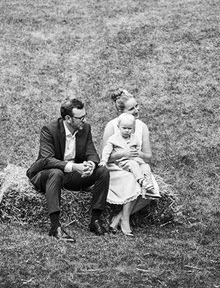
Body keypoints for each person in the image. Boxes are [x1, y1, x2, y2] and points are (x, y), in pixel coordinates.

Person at [26, 97, 110, 242]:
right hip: (46, 174)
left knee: (103, 171)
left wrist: (91, 164)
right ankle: (55, 227)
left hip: (72, 176)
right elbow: (46, 160)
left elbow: (91, 152)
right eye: (80, 117)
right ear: (68, 118)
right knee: (56, 173)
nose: (84, 120)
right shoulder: (49, 129)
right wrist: (73, 166)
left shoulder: (85, 128)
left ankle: (95, 220)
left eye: (85, 116)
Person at [102, 89, 159, 237]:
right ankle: (126, 220)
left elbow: (148, 157)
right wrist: (124, 153)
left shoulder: (142, 127)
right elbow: (104, 156)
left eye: (137, 106)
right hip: (116, 166)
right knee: (133, 180)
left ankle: (119, 217)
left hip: (136, 164)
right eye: (132, 108)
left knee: (151, 189)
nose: (137, 110)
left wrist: (137, 154)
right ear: (122, 113)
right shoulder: (112, 126)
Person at [99, 113, 155, 196]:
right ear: (118, 127)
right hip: (122, 161)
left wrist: (138, 155)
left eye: (129, 128)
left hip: (134, 159)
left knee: (145, 166)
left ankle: (148, 185)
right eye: (124, 128)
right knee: (133, 165)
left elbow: (137, 148)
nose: (126, 130)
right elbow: (107, 150)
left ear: (133, 128)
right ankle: (142, 181)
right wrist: (104, 160)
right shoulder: (114, 139)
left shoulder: (134, 138)